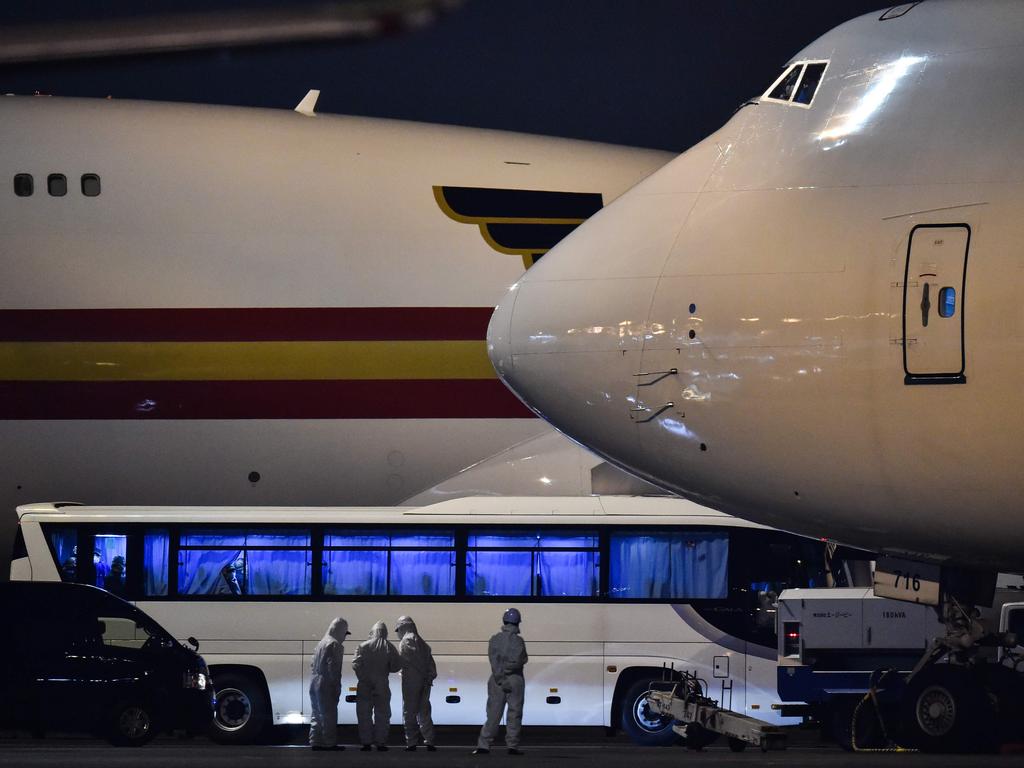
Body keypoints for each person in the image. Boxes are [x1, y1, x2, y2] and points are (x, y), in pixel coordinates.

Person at [473, 608, 528, 756]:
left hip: (496, 680)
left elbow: (493, 661)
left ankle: (484, 745)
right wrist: (508, 674)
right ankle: (512, 746)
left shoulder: (495, 639)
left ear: (504, 621)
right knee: (514, 714)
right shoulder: (519, 641)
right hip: (515, 679)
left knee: (493, 714)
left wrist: (501, 677)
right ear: (517, 623)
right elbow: (521, 661)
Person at [352, 620, 401, 751]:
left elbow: (356, 664)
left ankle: (366, 743)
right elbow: (396, 666)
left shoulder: (362, 646)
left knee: (364, 714)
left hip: (364, 684)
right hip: (382, 683)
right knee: (383, 714)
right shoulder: (389, 646)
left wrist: (363, 677)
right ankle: (381, 743)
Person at [394, 615, 437, 751]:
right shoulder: (423, 643)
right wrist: (428, 678)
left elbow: (404, 662)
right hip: (425, 683)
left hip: (411, 683)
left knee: (409, 712)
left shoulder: (405, 642)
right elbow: (432, 666)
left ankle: (411, 743)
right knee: (424, 712)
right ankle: (429, 741)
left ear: (403, 627)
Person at [308, 617, 350, 751]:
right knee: (329, 714)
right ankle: (329, 743)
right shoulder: (335, 645)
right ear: (340, 631)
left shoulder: (321, 643)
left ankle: (315, 740)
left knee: (316, 713)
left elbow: (312, 663)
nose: (345, 637)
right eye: (345, 633)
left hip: (314, 680)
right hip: (326, 682)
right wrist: (336, 686)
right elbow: (334, 668)